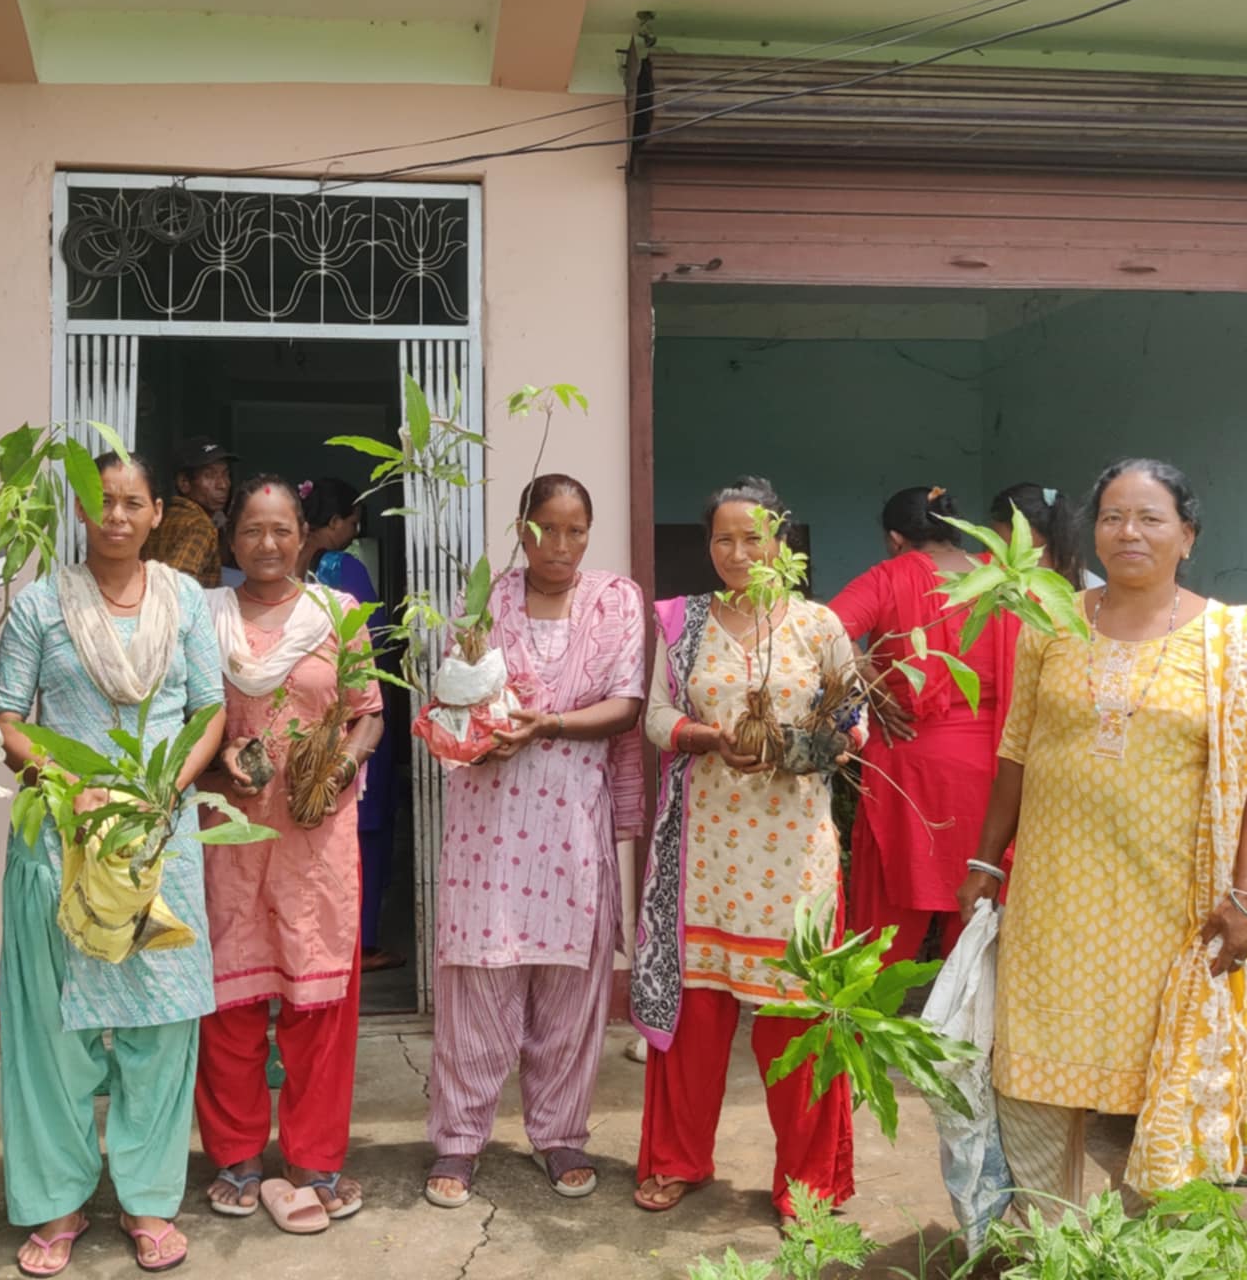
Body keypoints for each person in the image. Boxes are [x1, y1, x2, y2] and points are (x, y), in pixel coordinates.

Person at [957, 458, 1247, 1212]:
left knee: (1167, 1086)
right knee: (1031, 1084)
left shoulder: (1237, 642)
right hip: (1056, 904)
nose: (1129, 532)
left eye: (1151, 518)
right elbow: (1016, 752)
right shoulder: (1051, 626)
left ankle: (1154, 1248)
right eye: (1113, 517)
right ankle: (1041, 1245)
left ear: (1188, 535)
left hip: (1172, 913)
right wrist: (986, 860)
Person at [0, 451, 226, 1276]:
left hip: (161, 841)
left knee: (159, 1030)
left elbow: (210, 709)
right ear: (80, 512)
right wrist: (67, 785)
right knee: (53, 1032)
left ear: (158, 513)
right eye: (102, 503)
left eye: (133, 504)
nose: (117, 518)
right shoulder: (39, 606)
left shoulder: (186, 599)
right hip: (61, 840)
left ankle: (148, 1202)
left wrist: (171, 791)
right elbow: (8, 717)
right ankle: (57, 1202)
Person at [632, 476, 862, 1218]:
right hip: (703, 851)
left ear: (781, 542)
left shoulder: (819, 625)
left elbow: (854, 724)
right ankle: (676, 1158)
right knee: (696, 1018)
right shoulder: (685, 623)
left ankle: (808, 1182)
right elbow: (656, 716)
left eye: (753, 536)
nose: (737, 551)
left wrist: (804, 744)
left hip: (793, 854)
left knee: (794, 1021)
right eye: (723, 538)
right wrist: (706, 738)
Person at [423, 475, 647, 1208]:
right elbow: (457, 693)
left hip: (570, 813)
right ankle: (458, 1142)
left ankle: (560, 1134)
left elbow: (626, 704)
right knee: (479, 981)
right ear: (522, 529)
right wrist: (482, 737)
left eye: (576, 529)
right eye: (547, 528)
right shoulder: (485, 601)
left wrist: (545, 726)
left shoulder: (615, 599)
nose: (561, 545)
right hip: (490, 812)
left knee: (568, 985)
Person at [196, 475, 385, 1234]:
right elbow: (187, 723)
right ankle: (237, 1157)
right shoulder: (202, 617)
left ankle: (315, 1159)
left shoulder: (337, 615)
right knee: (231, 1004)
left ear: (304, 532)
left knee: (319, 1006)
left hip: (316, 834)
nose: (267, 544)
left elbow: (368, 713)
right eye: (251, 530)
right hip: (231, 833)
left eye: (282, 530)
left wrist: (339, 767)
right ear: (230, 539)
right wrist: (220, 765)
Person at [827, 486, 1015, 969]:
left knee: (885, 929)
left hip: (907, 767)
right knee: (977, 920)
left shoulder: (889, 578)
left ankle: (866, 1031)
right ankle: (967, 1041)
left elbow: (822, 632)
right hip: (992, 774)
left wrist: (871, 684)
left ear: (895, 539)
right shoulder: (1001, 580)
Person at [300, 477, 403, 974]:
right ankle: (360, 941)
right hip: (354, 713)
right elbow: (377, 639)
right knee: (367, 829)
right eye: (354, 522)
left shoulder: (296, 568)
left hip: (306, 718)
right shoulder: (344, 567)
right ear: (338, 522)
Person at [143, 435, 238, 589]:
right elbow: (177, 584)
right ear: (184, 483)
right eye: (210, 475)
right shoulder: (200, 525)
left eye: (226, 474)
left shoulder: (161, 516)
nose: (223, 484)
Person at [989, 482, 1098, 589]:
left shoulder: (1094, 597)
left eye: (1022, 556)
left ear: (1058, 555)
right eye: (995, 552)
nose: (1006, 569)